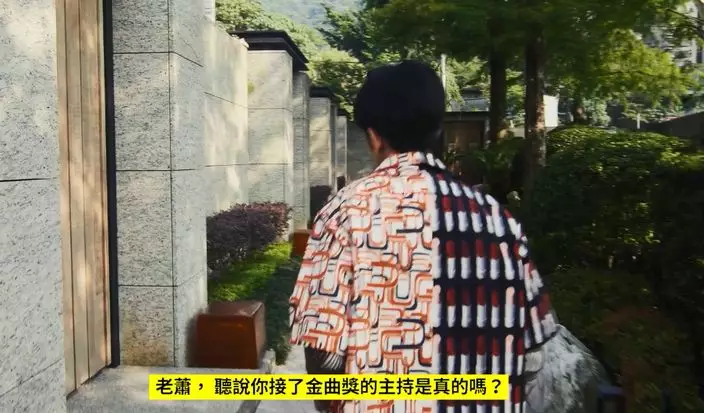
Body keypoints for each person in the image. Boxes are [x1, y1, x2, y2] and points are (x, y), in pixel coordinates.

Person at [288, 60, 559, 413]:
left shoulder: (345, 212)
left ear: (374, 136)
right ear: (436, 130)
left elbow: (324, 356)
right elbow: (534, 349)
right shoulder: (499, 220)